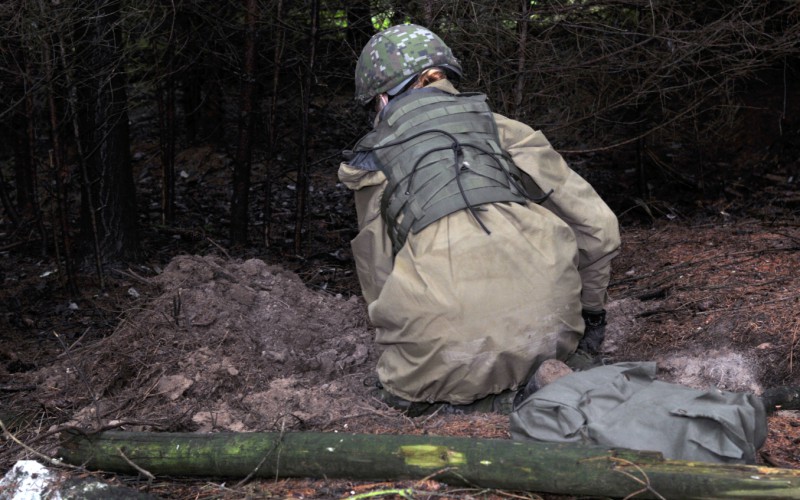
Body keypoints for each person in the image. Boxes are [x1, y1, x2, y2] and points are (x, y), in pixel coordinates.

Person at [338, 24, 620, 414]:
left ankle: (460, 404)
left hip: (443, 362)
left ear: (382, 99)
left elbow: (379, 282)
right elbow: (599, 229)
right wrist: (591, 318)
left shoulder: (372, 163)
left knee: (397, 394)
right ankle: (537, 380)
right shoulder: (506, 131)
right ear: (446, 76)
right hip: (551, 337)